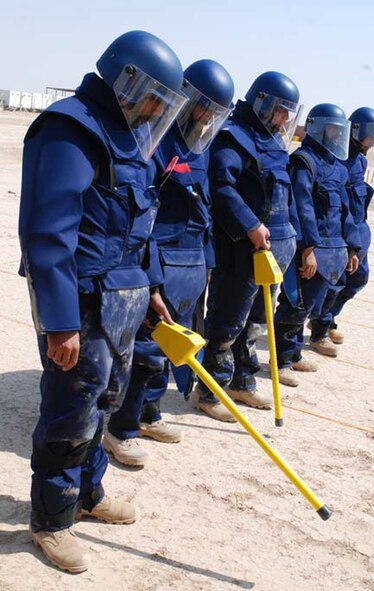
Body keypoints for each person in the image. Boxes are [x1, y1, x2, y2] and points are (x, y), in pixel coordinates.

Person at [18, 30, 187, 573]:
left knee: (105, 404)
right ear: (127, 80)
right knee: (70, 414)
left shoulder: (132, 136)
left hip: (125, 300)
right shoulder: (70, 129)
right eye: (155, 95)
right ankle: (51, 521)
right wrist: (60, 323)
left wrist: (154, 288)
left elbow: (142, 228)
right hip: (83, 305)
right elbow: (48, 235)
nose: (159, 109)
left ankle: (88, 495)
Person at [103, 59, 235, 461]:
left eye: (215, 110)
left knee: (170, 348)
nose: (207, 116)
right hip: (158, 256)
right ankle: (119, 427)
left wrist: (207, 264)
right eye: (203, 106)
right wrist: (151, 274)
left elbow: (206, 206)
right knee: (145, 349)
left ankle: (149, 411)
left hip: (191, 261)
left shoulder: (204, 146)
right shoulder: (154, 140)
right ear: (188, 98)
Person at [191, 71, 303, 421]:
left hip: (273, 253)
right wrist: (250, 225)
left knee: (256, 321)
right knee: (228, 321)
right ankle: (209, 391)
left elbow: (286, 198)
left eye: (289, 112)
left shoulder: (275, 142)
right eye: (280, 110)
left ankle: (242, 381)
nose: (284, 119)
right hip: (240, 251)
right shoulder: (233, 138)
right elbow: (222, 187)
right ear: (262, 103)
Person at [273, 103, 362, 387]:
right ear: (319, 128)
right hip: (310, 249)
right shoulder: (304, 161)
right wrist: (307, 248)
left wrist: (352, 247)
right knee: (295, 304)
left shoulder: (337, 166)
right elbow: (301, 206)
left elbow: (345, 209)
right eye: (333, 129)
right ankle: (283, 360)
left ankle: (295, 352)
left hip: (333, 249)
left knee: (311, 304)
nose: (337, 134)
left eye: (340, 130)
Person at [309, 107, 374, 346]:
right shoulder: (338, 159)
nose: (371, 143)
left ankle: (328, 316)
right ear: (356, 132)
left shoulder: (360, 161)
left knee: (358, 279)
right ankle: (320, 330)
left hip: (359, 229)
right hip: (341, 231)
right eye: (369, 136)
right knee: (334, 283)